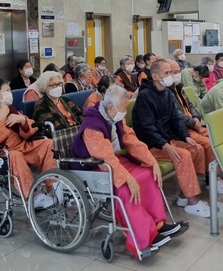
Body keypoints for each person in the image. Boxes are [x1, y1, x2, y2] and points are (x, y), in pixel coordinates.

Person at [71, 85, 188, 258]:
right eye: (123, 108)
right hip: (94, 167)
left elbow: (132, 141)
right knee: (127, 190)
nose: (124, 112)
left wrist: (152, 162)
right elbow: (105, 158)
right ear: (110, 107)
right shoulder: (92, 126)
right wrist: (128, 179)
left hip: (113, 162)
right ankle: (143, 238)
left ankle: (158, 225)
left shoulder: (114, 117)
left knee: (148, 175)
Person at [132, 59, 210, 217]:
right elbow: (147, 128)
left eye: (171, 72)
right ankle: (192, 201)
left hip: (167, 139)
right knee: (183, 155)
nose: (170, 76)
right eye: (166, 73)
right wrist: (165, 145)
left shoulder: (166, 92)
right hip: (152, 145)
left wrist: (186, 137)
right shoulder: (145, 96)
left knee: (197, 149)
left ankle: (184, 195)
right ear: (155, 76)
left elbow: (175, 118)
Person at [0, 79, 58, 208]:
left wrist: (22, 120)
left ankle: (54, 188)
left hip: (21, 146)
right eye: (7, 90)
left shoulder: (10, 109)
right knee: (15, 155)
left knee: (48, 144)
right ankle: (34, 195)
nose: (10, 94)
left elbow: (30, 130)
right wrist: (1, 117)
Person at [167, 59, 223, 195]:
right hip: (181, 129)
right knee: (208, 144)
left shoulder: (178, 87)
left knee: (216, 138)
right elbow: (175, 114)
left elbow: (191, 105)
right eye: (172, 72)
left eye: (177, 71)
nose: (176, 75)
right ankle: (210, 180)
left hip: (192, 124)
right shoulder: (164, 92)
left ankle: (215, 177)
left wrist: (196, 117)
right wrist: (192, 122)